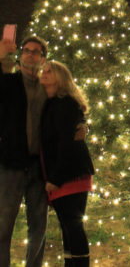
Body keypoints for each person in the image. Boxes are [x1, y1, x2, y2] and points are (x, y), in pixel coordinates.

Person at [0, 36, 49, 267]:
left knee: (38, 227)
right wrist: (1, 55)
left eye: (36, 51)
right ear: (21, 56)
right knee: (2, 226)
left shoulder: (49, 87)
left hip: (39, 167)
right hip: (11, 165)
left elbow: (70, 102)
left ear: (43, 59)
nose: (30, 54)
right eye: (26, 50)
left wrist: (81, 124)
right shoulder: (10, 83)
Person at [40, 61, 94, 267]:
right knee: (67, 227)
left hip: (70, 175)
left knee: (72, 226)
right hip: (63, 173)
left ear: (60, 78)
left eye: (49, 71)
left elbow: (67, 143)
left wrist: (56, 178)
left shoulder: (65, 104)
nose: (44, 74)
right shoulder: (52, 103)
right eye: (43, 71)